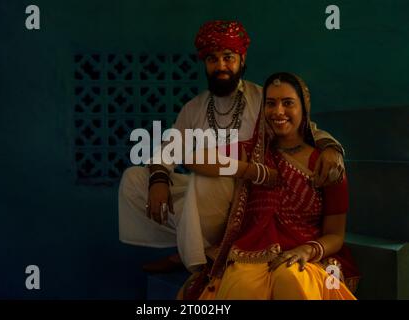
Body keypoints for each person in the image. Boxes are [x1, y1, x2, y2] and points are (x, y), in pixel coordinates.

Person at [118, 20, 346, 273]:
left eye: (228, 57)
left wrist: (331, 147)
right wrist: (159, 178)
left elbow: (305, 128)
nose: (221, 66)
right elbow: (170, 147)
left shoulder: (263, 97)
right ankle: (200, 249)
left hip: (251, 193)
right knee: (135, 179)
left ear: (242, 57)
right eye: (212, 59)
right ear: (205, 64)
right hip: (208, 193)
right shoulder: (194, 107)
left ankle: (193, 259)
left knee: (205, 178)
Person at [180, 72, 360, 300]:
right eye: (270, 103)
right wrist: (255, 171)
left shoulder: (325, 164)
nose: (278, 112)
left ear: (304, 109)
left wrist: (308, 250)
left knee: (290, 279)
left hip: (305, 253)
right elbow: (193, 158)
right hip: (253, 252)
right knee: (241, 288)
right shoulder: (253, 152)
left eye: (288, 103)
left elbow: (335, 234)